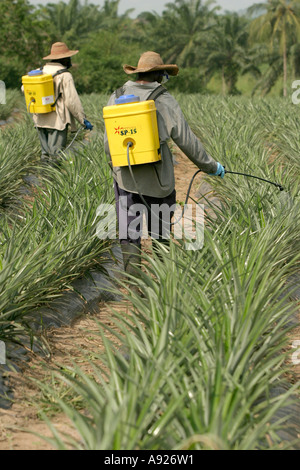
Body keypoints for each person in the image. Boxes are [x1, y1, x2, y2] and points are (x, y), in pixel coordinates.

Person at [104, 51, 225, 279]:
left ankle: (133, 283)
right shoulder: (162, 98)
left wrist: (118, 170)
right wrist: (211, 166)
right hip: (158, 179)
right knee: (160, 229)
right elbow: (186, 140)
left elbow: (108, 143)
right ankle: (163, 280)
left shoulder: (117, 95)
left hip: (125, 179)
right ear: (159, 75)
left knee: (129, 232)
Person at [32, 42, 93, 165]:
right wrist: (82, 119)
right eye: (69, 58)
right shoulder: (64, 75)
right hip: (57, 121)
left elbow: (25, 89)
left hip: (40, 119)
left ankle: (43, 181)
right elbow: (72, 101)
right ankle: (51, 183)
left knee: (45, 155)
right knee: (56, 156)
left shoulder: (38, 71)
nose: (70, 61)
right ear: (63, 59)